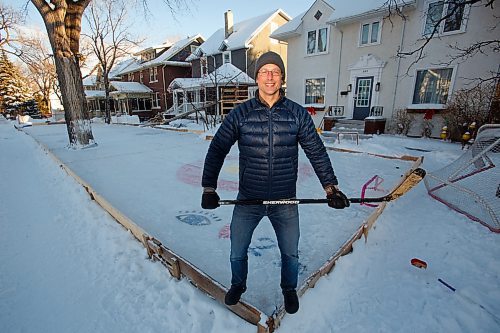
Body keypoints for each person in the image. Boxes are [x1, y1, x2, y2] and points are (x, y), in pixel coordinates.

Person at [201, 51, 349, 314]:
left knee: (290, 252)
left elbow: (315, 150)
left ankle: (289, 289)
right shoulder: (240, 114)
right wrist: (209, 187)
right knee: (237, 249)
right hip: (249, 198)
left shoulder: (297, 114)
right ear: (256, 77)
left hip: (284, 199)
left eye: (275, 71)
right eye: (264, 71)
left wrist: (331, 187)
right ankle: (238, 284)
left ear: (282, 78)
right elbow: (218, 148)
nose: (269, 77)